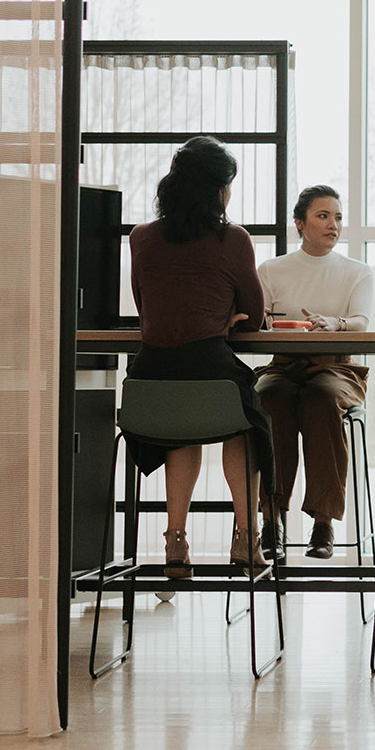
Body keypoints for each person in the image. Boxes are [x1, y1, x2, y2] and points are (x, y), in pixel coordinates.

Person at [125, 137, 271, 578]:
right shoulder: (233, 240)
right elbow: (257, 315)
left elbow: (144, 306)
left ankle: (175, 539)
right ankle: (246, 536)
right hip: (210, 369)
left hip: (150, 380)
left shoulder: (141, 238)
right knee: (245, 424)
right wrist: (227, 315)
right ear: (217, 190)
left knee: (180, 427)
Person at [254, 185, 374, 559]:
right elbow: (260, 325)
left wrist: (334, 324)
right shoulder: (272, 270)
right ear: (299, 224)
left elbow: (360, 323)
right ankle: (272, 518)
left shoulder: (357, 271)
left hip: (338, 368)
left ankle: (323, 524)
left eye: (338, 217)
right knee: (269, 397)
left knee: (322, 399)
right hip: (283, 365)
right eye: (323, 216)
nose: (333, 224)